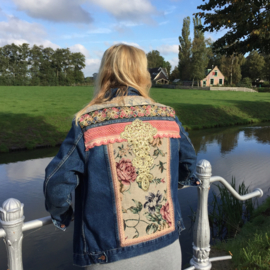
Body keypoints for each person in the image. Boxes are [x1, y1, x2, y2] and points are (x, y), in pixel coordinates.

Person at [43, 44, 199, 269]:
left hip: (109, 256)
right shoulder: (167, 116)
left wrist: (63, 214)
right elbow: (189, 163)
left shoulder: (89, 122)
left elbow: (56, 184)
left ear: (106, 71)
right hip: (167, 248)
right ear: (143, 73)